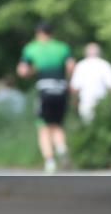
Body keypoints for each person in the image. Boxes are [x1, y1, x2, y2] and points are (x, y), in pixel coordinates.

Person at [16, 21, 74, 173]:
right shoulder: (62, 47)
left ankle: (49, 161)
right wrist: (66, 80)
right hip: (61, 88)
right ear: (51, 33)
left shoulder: (31, 48)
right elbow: (70, 65)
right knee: (56, 124)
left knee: (43, 126)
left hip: (44, 89)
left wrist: (31, 72)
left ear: (38, 33)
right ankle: (61, 148)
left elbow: (22, 71)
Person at [70, 42, 111, 124]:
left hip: (86, 102)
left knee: (87, 129)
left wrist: (74, 103)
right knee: (103, 127)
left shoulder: (81, 65)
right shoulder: (105, 65)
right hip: (102, 103)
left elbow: (74, 88)